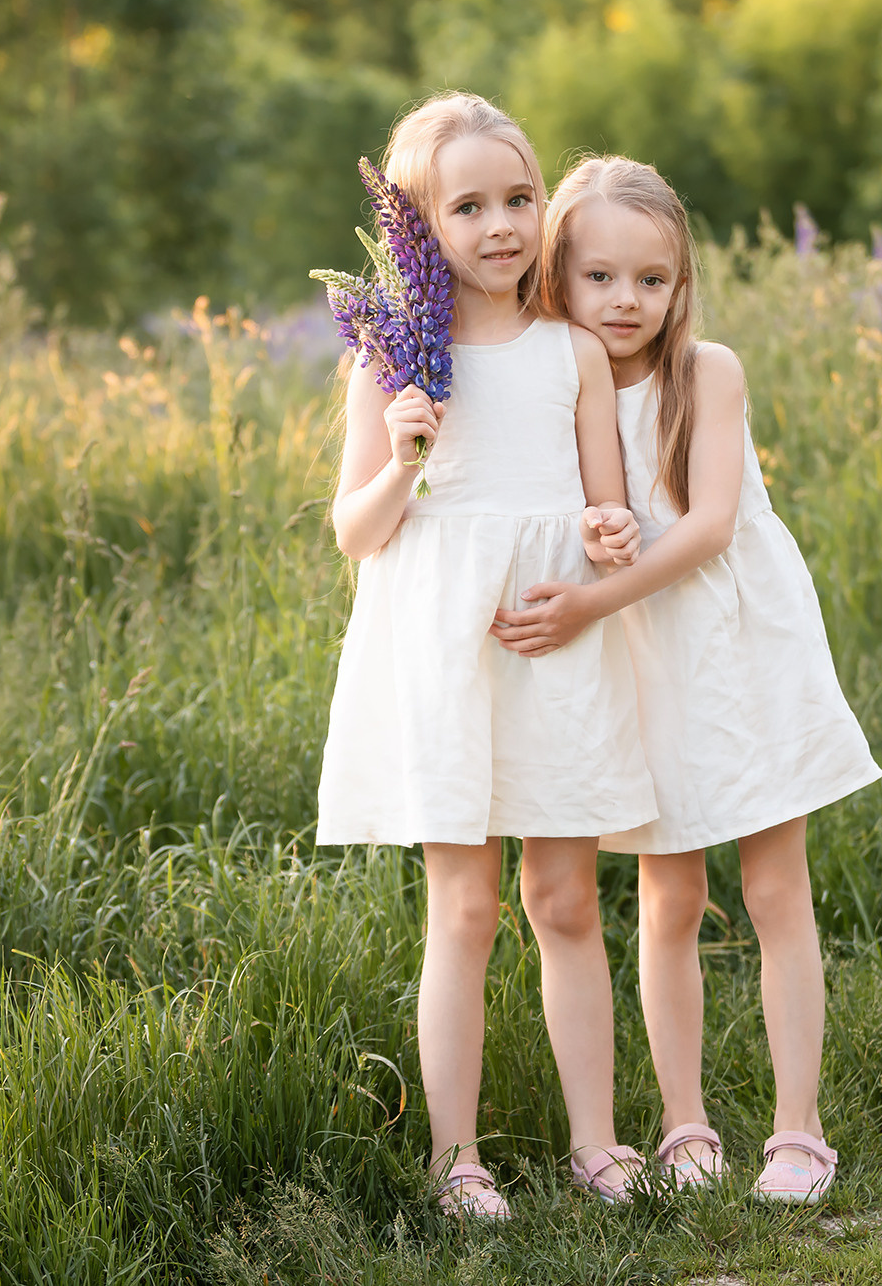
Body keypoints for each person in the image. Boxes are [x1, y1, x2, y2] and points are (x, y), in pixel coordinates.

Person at [491, 155, 882, 1206]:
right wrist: (595, 531)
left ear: (681, 284)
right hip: (644, 660)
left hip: (740, 646)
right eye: (601, 278)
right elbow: (567, 507)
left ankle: (798, 1132)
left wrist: (586, 601)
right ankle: (684, 1124)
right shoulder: (553, 382)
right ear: (558, 277)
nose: (627, 301)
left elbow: (708, 527)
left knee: (771, 886)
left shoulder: (705, 372)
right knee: (669, 895)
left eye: (651, 280)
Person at [317, 98, 656, 1218]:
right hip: (443, 651)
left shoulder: (572, 352)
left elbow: (605, 510)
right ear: (419, 226)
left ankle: (596, 1143)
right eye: (466, 206)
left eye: (518, 199)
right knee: (462, 909)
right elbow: (357, 533)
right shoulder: (390, 360)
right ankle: (455, 1158)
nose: (501, 225)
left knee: (562, 897)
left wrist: (606, 547)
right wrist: (404, 452)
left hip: (550, 638)